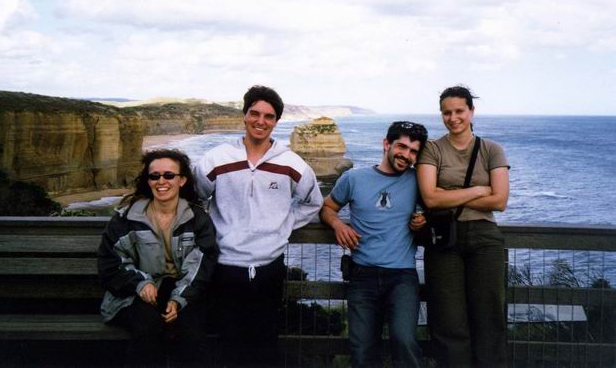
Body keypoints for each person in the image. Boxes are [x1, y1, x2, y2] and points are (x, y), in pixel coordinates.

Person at [194, 85, 324, 366]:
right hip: (225, 265)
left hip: (270, 267)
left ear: (277, 121)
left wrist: (284, 223)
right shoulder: (216, 159)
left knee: (265, 343)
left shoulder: (292, 163)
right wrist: (213, 229)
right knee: (227, 342)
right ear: (244, 115)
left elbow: (313, 203)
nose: (260, 121)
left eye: (269, 116)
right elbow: (195, 199)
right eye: (255, 113)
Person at [320, 121, 429, 368]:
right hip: (362, 275)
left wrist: (425, 219)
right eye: (402, 146)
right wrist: (338, 224)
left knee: (404, 342)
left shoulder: (418, 181)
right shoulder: (354, 178)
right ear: (386, 144)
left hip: (402, 276)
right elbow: (328, 207)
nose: (406, 155)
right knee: (362, 351)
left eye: (413, 151)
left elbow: (437, 206)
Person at [416, 86, 510, 368]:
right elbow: (431, 198)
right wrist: (479, 190)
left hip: (485, 238)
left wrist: (451, 195)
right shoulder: (432, 148)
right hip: (445, 239)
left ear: (471, 111)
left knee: (489, 315)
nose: (453, 117)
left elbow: (501, 200)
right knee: (447, 319)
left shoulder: (491, 149)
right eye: (447, 112)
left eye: (459, 111)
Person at [97, 149, 218, 368]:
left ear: (181, 180)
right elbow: (110, 262)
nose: (161, 181)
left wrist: (179, 299)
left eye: (169, 175)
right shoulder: (127, 217)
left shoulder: (197, 218)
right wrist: (140, 283)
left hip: (184, 289)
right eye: (155, 176)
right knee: (147, 327)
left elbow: (202, 264)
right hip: (136, 293)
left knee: (192, 330)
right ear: (148, 180)